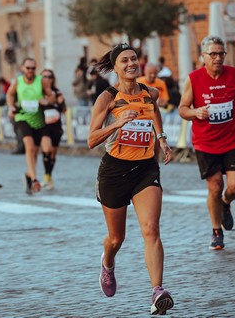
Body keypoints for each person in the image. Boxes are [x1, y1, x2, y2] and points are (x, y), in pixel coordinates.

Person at [88, 43, 174, 315]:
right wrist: (117, 123)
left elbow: (155, 111)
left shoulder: (151, 92)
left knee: (151, 228)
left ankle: (157, 291)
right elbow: (91, 139)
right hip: (114, 172)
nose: (130, 64)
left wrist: (161, 139)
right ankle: (108, 263)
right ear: (115, 68)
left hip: (145, 169)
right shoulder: (107, 98)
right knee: (116, 239)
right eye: (124, 60)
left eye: (133, 58)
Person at [178, 36, 235, 250]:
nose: (218, 58)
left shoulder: (234, 74)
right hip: (206, 142)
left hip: (231, 139)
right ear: (203, 56)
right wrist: (196, 112)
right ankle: (216, 230)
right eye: (213, 54)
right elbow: (182, 109)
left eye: (221, 54)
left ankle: (226, 203)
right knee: (215, 186)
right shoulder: (194, 78)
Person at [6, 58, 54, 194]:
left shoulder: (42, 81)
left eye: (33, 68)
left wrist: (46, 100)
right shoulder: (18, 81)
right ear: (22, 68)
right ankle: (34, 180)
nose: (30, 71)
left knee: (47, 148)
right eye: (28, 68)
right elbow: (9, 94)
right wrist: (10, 107)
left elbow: (51, 96)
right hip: (22, 117)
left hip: (39, 119)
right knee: (30, 146)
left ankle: (28, 175)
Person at [40, 69, 66, 190]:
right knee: (47, 148)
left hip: (56, 126)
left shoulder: (57, 92)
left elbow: (63, 108)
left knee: (53, 152)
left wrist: (56, 100)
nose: (47, 79)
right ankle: (46, 176)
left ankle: (49, 175)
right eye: (44, 76)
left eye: (50, 76)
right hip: (43, 125)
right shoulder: (38, 92)